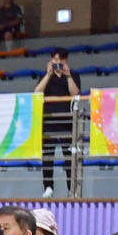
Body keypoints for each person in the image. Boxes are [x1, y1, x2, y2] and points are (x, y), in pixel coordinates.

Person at [33, 49, 81, 198]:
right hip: (48, 121)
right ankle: (48, 187)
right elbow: (37, 92)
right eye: (55, 60)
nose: (58, 63)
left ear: (66, 60)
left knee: (69, 157)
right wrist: (48, 74)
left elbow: (75, 93)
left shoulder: (73, 75)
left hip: (67, 121)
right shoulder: (45, 76)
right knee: (47, 156)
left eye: (61, 60)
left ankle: (71, 189)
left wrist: (68, 76)